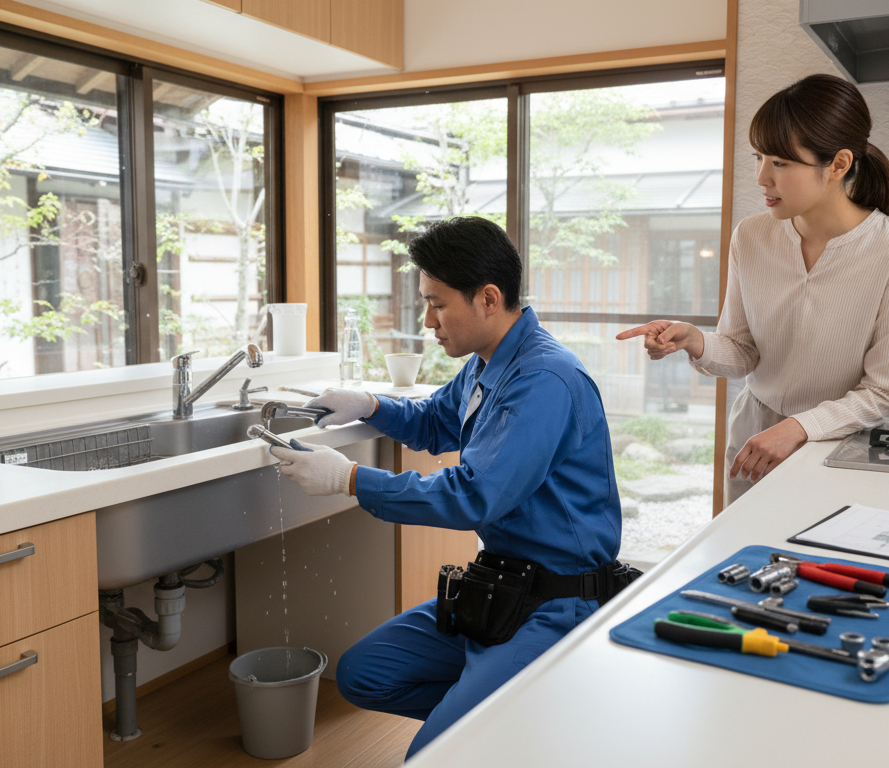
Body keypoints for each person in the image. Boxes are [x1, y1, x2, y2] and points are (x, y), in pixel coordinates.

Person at [268, 216, 632, 759]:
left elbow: (471, 496)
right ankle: (510, 721)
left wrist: (349, 479)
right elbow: (436, 420)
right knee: (362, 675)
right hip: (500, 585)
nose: (427, 319)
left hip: (555, 602)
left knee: (431, 756)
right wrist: (368, 405)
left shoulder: (543, 381)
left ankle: (501, 724)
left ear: (487, 298)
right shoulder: (488, 363)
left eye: (437, 304)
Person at [617, 73, 889, 504]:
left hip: (840, 446)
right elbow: (744, 352)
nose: (762, 177)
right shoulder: (751, 236)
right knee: (741, 562)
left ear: (838, 165)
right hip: (755, 435)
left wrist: (798, 427)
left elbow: (885, 391)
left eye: (780, 163)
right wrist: (696, 341)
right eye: (759, 157)